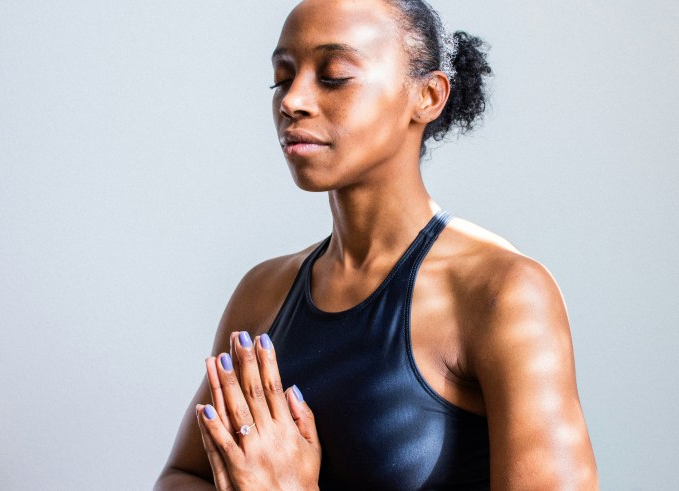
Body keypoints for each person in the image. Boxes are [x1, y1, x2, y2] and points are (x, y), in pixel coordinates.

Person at [155, 0, 598, 489]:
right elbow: (181, 476)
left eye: (334, 75)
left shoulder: (503, 294)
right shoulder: (263, 293)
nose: (292, 100)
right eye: (282, 77)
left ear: (428, 95)